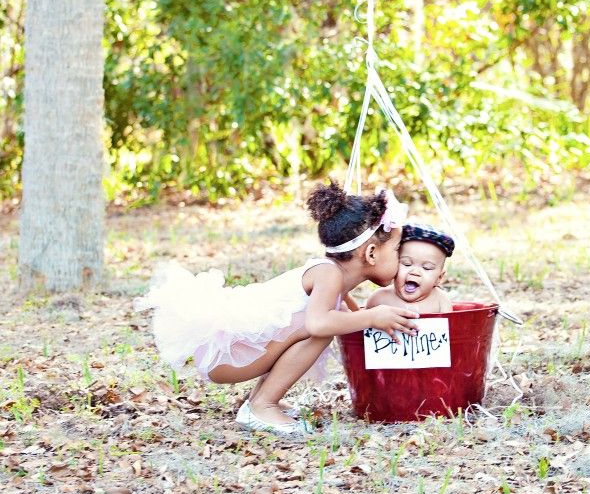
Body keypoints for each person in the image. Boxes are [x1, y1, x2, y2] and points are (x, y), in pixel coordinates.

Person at [135, 181, 419, 438]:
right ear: (370, 253)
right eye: (397, 251)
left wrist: (366, 314)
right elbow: (320, 324)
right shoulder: (327, 274)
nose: (401, 260)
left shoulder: (332, 276)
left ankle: (258, 401)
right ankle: (262, 405)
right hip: (231, 355)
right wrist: (372, 317)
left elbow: (344, 309)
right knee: (320, 327)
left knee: (332, 320)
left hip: (242, 352)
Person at [366, 223, 455, 314]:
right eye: (407, 264)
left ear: (439, 278)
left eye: (426, 268)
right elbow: (363, 325)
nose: (415, 272)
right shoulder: (379, 299)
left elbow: (453, 327)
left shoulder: (440, 301)